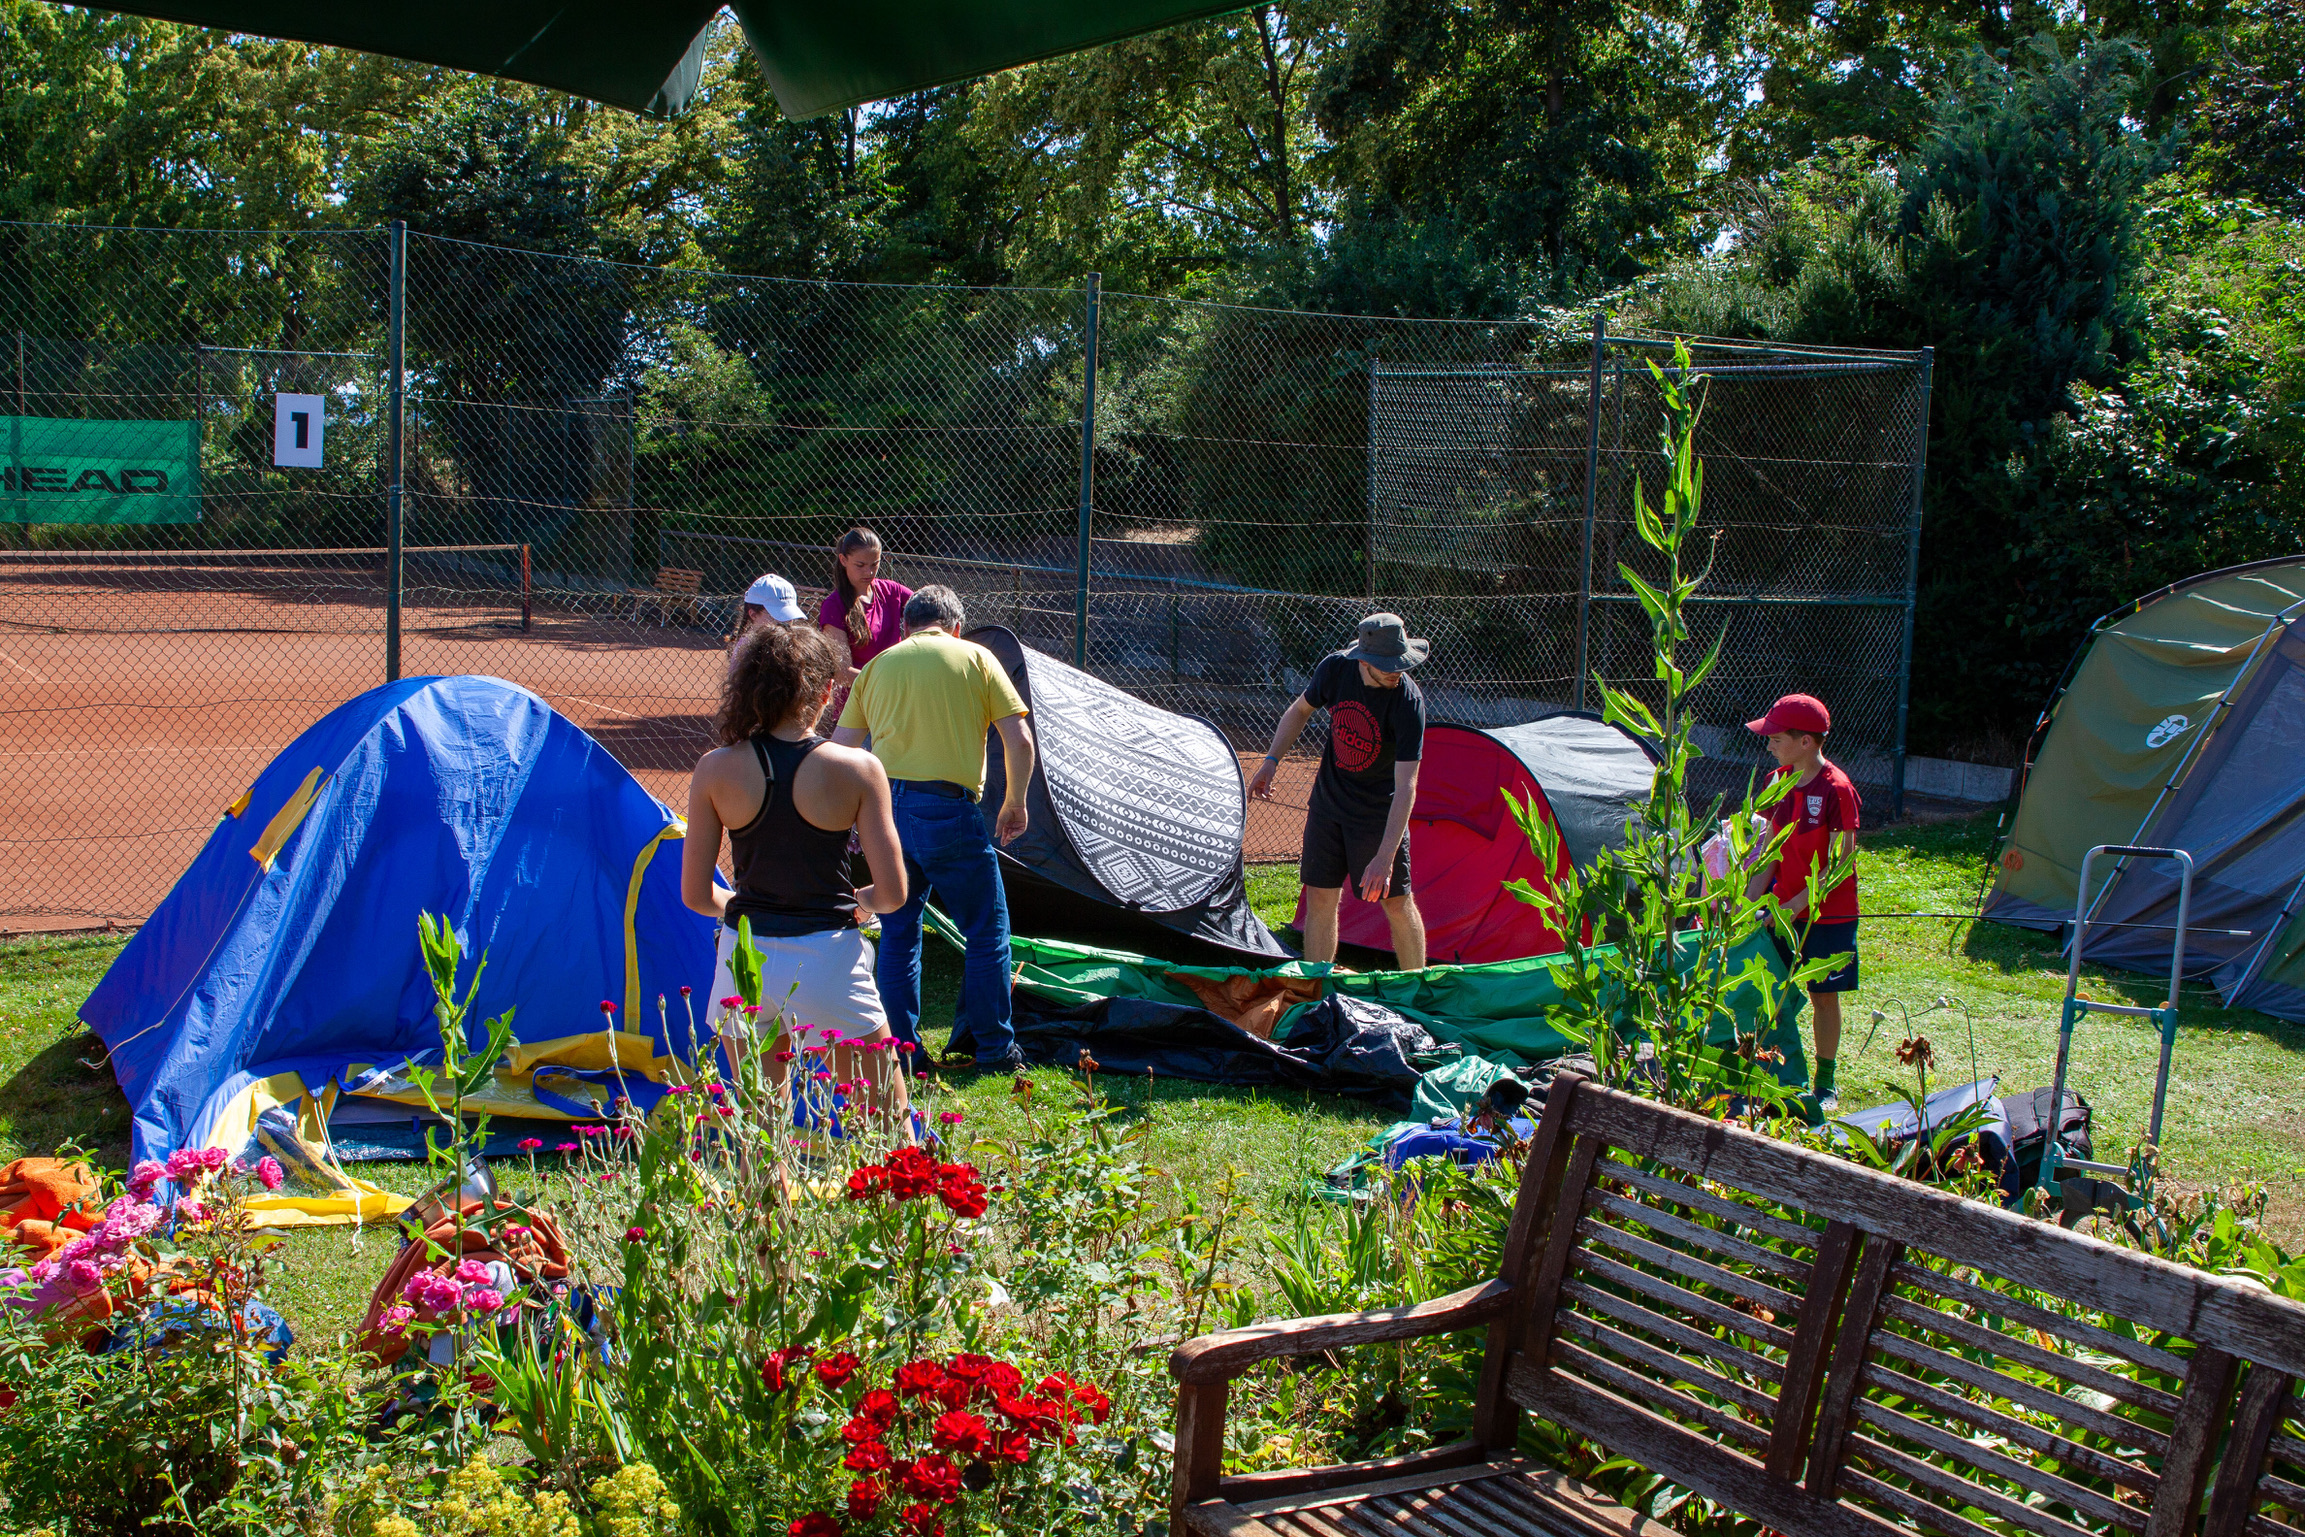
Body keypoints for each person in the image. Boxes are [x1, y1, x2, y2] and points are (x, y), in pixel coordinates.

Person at [681, 621, 912, 1126]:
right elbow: (894, 893)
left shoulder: (714, 768)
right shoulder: (858, 768)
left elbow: (696, 895)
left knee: (763, 1136)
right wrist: (860, 902)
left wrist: (747, 909)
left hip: (744, 962)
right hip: (828, 959)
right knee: (890, 1126)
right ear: (827, 692)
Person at [830, 585, 1035, 1071]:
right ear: (956, 627)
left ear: (905, 629)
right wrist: (1015, 802)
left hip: (885, 811)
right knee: (986, 930)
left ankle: (901, 1051)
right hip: (948, 809)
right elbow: (1020, 740)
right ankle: (994, 1047)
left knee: (898, 931)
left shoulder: (878, 666)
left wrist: (847, 817)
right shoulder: (977, 658)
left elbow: (840, 750)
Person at [1249, 613, 1430, 970]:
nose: (1396, 671)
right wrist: (1271, 760)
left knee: (1397, 903)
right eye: (1387, 665)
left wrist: (1384, 857)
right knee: (1320, 897)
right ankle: (1317, 986)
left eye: (1400, 663)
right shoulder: (1335, 670)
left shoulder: (1408, 702)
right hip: (1329, 805)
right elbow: (1299, 710)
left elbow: (1406, 785)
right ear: (1364, 661)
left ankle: (1417, 987)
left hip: (1378, 816)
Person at [1743, 692, 1861, 1108]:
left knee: (1822, 997)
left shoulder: (1837, 789)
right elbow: (1769, 852)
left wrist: (1794, 906)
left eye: (1777, 738)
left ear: (1806, 741)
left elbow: (1842, 862)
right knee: (1768, 991)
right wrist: (1746, 903)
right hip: (1781, 913)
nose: (1770, 745)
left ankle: (1825, 1084)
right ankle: (1769, 1071)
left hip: (1827, 916)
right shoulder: (1777, 782)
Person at [818, 528, 915, 698]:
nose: (869, 572)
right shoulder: (833, 606)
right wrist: (889, 683)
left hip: (896, 695)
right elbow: (842, 673)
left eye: (874, 564)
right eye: (860, 565)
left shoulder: (892, 591)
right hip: (860, 700)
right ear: (843, 560)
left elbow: (928, 612)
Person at [727, 572, 807, 673]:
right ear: (753, 615)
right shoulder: (746, 651)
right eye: (776, 616)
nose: (785, 622)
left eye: (788, 616)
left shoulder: (794, 646)